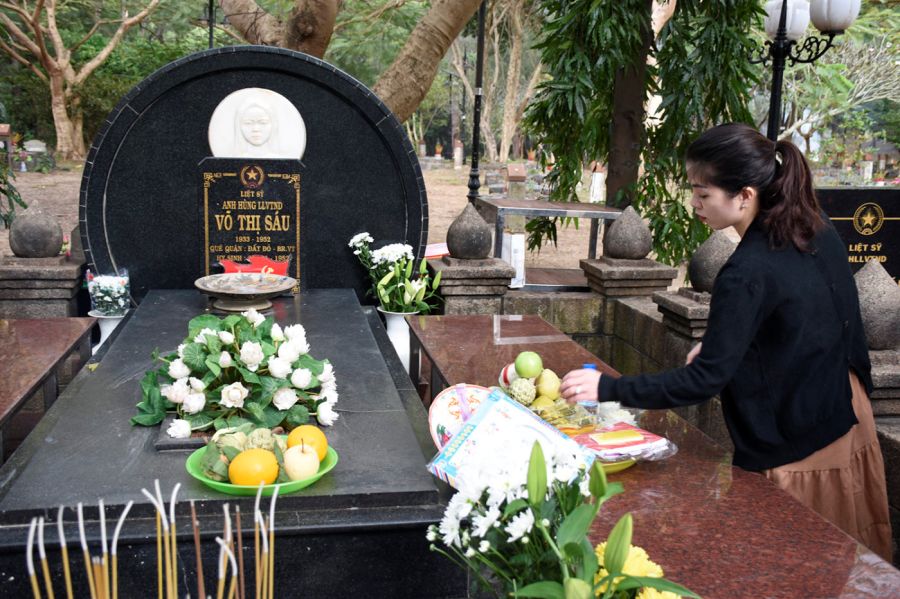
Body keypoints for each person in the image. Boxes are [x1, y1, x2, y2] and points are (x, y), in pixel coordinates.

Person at [560, 123, 892, 561]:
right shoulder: (814, 226)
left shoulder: (745, 271)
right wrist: (735, 343)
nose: (694, 204)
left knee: (796, 567)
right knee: (850, 562)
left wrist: (609, 387)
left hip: (798, 439)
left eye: (703, 194)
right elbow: (817, 315)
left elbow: (703, 381)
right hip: (845, 408)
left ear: (745, 195)